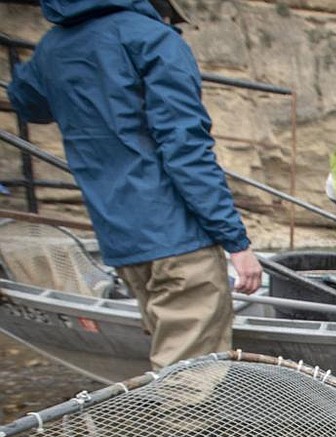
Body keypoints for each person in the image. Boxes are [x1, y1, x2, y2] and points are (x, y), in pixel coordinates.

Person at [7, 0, 262, 370]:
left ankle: (159, 419)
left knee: (168, 358)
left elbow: (26, 102)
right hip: (178, 236)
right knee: (191, 380)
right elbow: (186, 150)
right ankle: (168, 427)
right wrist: (236, 243)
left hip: (122, 239)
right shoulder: (152, 39)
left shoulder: (51, 48)